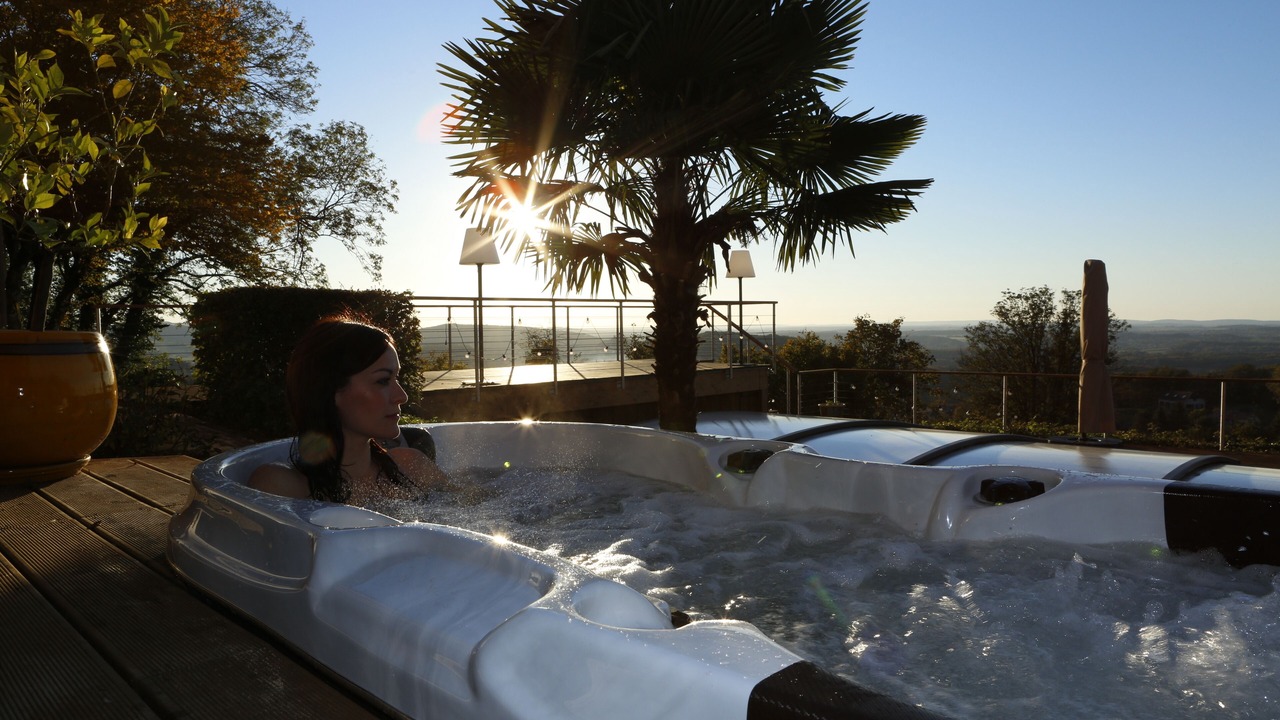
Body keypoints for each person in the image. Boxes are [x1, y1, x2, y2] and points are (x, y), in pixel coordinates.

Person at [249, 314, 448, 504]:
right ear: (331, 390)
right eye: (382, 380)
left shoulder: (413, 468)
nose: (402, 396)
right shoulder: (281, 487)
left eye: (396, 378)